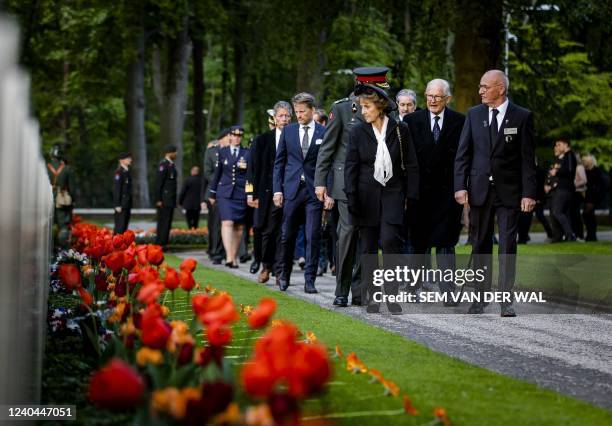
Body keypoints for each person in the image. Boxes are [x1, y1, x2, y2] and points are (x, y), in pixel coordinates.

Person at [454, 69, 537, 317]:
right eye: (480, 86)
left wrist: (529, 193)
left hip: (509, 192)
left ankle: (505, 300)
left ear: (500, 88)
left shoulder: (522, 116)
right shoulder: (474, 114)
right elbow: (463, 154)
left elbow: (528, 160)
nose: (480, 91)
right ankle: (479, 299)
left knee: (508, 246)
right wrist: (460, 185)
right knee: (480, 244)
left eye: (484, 87)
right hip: (479, 191)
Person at [315, 66, 392, 307]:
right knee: (347, 236)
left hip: (376, 184)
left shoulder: (387, 110)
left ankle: (361, 290)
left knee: (368, 239)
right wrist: (320, 181)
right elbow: (328, 147)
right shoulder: (341, 109)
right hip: (347, 184)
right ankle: (342, 289)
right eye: (376, 88)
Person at [344, 83, 419, 313]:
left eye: (366, 106)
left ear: (380, 106)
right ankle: (373, 297)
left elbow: (412, 164)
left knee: (389, 243)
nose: (362, 111)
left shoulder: (400, 129)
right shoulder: (357, 131)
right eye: (361, 107)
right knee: (368, 249)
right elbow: (351, 168)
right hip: (365, 198)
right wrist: (352, 198)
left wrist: (411, 197)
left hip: (393, 194)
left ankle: (392, 296)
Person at [404, 79, 465, 304]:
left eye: (437, 97)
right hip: (419, 194)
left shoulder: (460, 121)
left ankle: (449, 292)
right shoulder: (411, 121)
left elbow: (463, 158)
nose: (432, 100)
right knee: (419, 244)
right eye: (429, 96)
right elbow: (405, 160)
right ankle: (413, 288)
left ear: (447, 99)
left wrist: (461, 189)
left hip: (447, 195)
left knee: (446, 243)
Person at [273, 92, 327, 294]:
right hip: (292, 191)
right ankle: (284, 274)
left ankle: (310, 280)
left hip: (314, 192)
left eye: (302, 111)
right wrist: (277, 190)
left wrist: (327, 190)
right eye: (296, 111)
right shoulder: (288, 132)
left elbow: (328, 163)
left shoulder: (324, 131)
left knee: (313, 236)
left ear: (312, 110)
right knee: (287, 235)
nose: (298, 115)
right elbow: (279, 164)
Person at [248, 101, 292, 283]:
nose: (284, 119)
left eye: (287, 116)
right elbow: (253, 168)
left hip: (289, 190)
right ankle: (266, 265)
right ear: (274, 118)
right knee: (267, 230)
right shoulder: (262, 140)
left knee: (285, 232)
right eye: (280, 116)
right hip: (266, 193)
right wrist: (251, 193)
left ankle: (280, 271)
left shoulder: (296, 138)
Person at [209, 125, 250, 268]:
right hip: (225, 193)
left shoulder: (247, 152)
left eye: (240, 136)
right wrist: (212, 193)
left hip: (240, 193)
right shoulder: (223, 152)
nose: (237, 138)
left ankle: (233, 255)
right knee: (227, 222)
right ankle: (229, 257)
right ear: (230, 136)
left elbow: (250, 175)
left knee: (239, 226)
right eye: (235, 135)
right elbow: (217, 173)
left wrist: (250, 193)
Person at [202, 129, 230, 264]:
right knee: (215, 224)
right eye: (228, 136)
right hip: (216, 191)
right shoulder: (212, 151)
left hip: (231, 192)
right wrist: (221, 180)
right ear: (221, 139)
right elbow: (207, 172)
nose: (231, 138)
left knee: (229, 223)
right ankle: (215, 251)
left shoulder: (234, 151)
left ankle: (226, 252)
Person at [547, 139, 577, 242]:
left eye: (559, 145)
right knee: (561, 212)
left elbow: (569, 171)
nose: (557, 147)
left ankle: (570, 235)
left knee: (557, 211)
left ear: (565, 145)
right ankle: (560, 236)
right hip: (563, 188)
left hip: (564, 188)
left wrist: (556, 172)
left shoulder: (569, 155)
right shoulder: (566, 156)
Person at [47, 144, 76, 248]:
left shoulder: (45, 168)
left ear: (51, 155)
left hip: (47, 199)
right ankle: (62, 250)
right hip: (62, 200)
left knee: (47, 225)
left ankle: (50, 247)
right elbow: (72, 188)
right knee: (63, 226)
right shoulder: (67, 169)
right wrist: (73, 200)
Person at [155, 145, 178, 248]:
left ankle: (164, 242)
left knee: (167, 222)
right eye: (174, 152)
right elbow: (159, 183)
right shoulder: (163, 165)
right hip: (164, 199)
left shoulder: (171, 165)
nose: (176, 154)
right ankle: (160, 243)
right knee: (163, 222)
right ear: (169, 153)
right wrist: (158, 199)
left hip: (170, 199)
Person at [582, 154, 605, 241]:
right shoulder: (585, 171)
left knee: (588, 215)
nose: (584, 163)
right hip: (587, 196)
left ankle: (592, 235)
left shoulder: (596, 171)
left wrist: (596, 196)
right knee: (588, 216)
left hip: (592, 197)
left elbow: (601, 185)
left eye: (585, 161)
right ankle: (590, 235)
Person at [113, 152, 133, 234]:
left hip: (126, 203)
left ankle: (123, 246)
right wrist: (117, 204)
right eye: (128, 158)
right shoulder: (119, 172)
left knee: (124, 227)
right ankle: (116, 246)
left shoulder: (126, 171)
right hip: (121, 204)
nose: (130, 160)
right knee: (119, 227)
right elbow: (117, 189)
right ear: (121, 160)